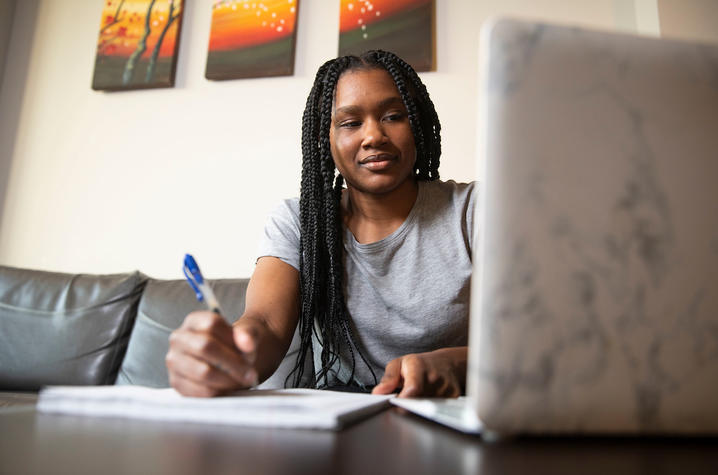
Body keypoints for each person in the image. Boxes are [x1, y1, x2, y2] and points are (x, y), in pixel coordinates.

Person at [166, 50, 476, 398]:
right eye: (350, 122)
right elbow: (265, 322)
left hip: (453, 412)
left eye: (393, 116)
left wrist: (457, 363)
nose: (373, 135)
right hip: (340, 417)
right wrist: (232, 352)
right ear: (324, 139)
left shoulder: (475, 211)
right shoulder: (299, 221)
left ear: (417, 125)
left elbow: (534, 340)